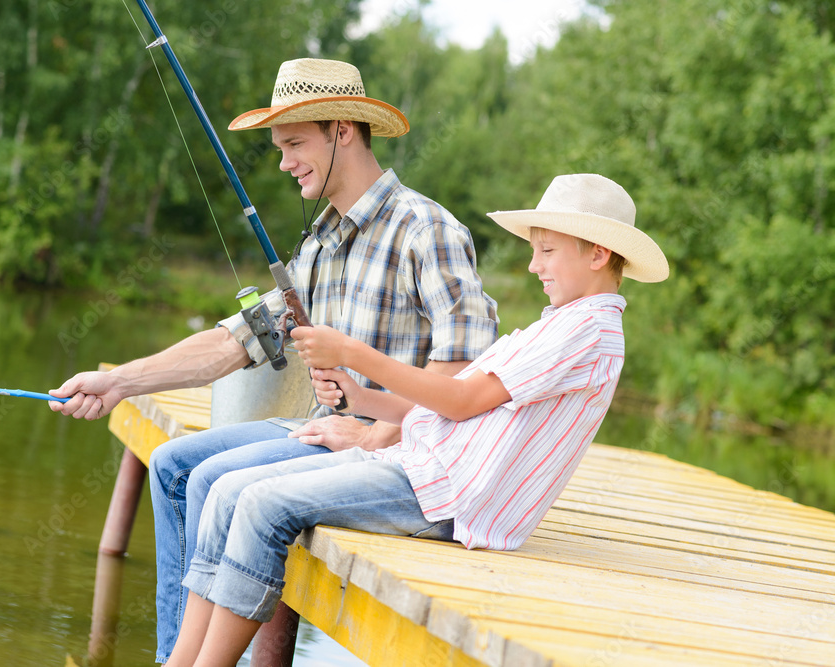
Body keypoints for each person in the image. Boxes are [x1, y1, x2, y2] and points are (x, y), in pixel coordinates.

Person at [49, 58, 499, 661]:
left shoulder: (425, 229)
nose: (284, 162)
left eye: (293, 143)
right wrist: (118, 382)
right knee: (172, 463)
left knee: (208, 478)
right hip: (321, 431)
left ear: (342, 130)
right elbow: (236, 341)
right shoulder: (320, 243)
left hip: (393, 453)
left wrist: (380, 435)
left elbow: (468, 364)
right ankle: (173, 655)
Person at [163, 173, 670, 665]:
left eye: (548, 250)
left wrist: (353, 352)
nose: (534, 265)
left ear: (599, 254)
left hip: (449, 495)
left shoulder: (589, 331)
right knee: (229, 491)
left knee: (258, 504)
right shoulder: (561, 323)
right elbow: (453, 407)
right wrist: (361, 398)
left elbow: (461, 400)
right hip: (425, 469)